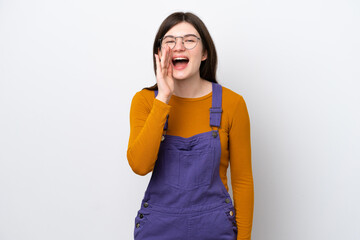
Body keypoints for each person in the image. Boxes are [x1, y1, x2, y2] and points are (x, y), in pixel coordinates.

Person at [127, 12, 254, 240]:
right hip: (159, 229)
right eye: (170, 41)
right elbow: (139, 165)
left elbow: (243, 181)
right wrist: (163, 97)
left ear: (204, 53)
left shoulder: (232, 103)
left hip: (215, 228)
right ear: (159, 53)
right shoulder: (145, 101)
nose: (179, 47)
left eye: (189, 40)